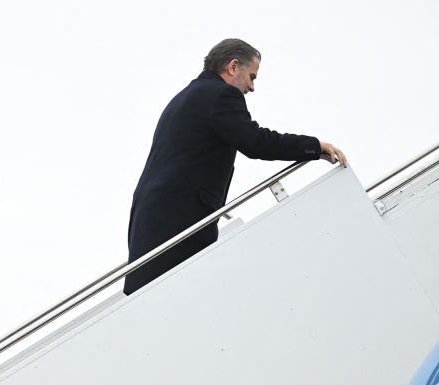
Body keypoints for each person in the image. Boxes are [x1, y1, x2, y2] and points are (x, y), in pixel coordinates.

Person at [123, 38, 347, 295]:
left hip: (152, 220)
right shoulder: (220, 94)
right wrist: (315, 146)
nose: (252, 87)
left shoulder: (183, 98)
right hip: (180, 221)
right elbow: (256, 142)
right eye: (251, 76)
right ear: (232, 67)